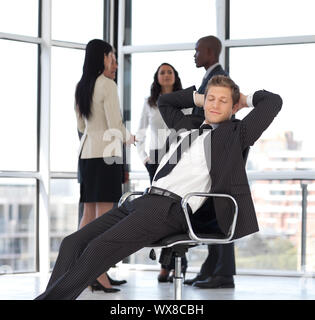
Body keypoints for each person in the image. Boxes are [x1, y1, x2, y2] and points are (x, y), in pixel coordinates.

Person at [35, 75, 282, 300]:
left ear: (233, 107)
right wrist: (198, 96)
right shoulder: (188, 127)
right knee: (72, 243)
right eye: (211, 99)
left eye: (223, 101)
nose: (215, 105)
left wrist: (245, 99)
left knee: (98, 249)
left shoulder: (234, 134)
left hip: (171, 209)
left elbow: (273, 102)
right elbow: (165, 101)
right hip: (143, 200)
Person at [74, 39, 135, 293]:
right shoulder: (107, 85)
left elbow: (80, 126)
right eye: (111, 56)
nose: (115, 62)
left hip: (87, 154)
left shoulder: (82, 85)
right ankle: (99, 273)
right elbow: (114, 124)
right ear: (102, 57)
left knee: (88, 216)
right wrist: (129, 137)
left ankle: (82, 270)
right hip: (106, 154)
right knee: (105, 219)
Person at [184, 35, 236, 289]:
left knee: (221, 213)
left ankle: (224, 273)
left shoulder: (219, 80)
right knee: (213, 211)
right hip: (209, 151)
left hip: (216, 152)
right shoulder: (211, 79)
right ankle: (212, 268)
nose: (194, 55)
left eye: (197, 51)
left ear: (209, 52)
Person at [136, 63, 187, 282]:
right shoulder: (150, 103)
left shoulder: (184, 100)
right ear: (157, 78)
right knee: (159, 213)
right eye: (162, 72)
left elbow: (189, 130)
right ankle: (165, 265)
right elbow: (139, 132)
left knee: (179, 210)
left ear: (175, 77)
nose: (166, 75)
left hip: (179, 157)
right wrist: (144, 158)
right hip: (156, 159)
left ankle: (179, 264)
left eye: (169, 72)